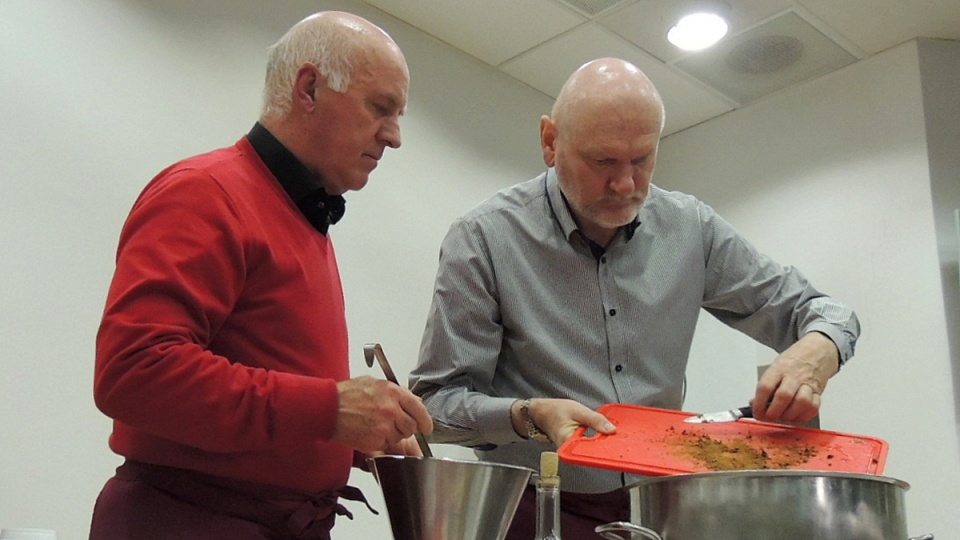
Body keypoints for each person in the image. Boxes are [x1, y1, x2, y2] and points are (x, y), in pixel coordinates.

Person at [409, 57, 860, 539]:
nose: (625, 185)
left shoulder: (692, 229)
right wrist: (529, 416)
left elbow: (823, 313)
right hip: (536, 509)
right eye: (603, 161)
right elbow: (435, 404)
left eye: (642, 159)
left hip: (663, 506)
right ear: (550, 142)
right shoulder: (484, 239)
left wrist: (818, 351)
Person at [90, 12, 432, 540]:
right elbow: (134, 373)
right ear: (309, 88)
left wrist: (349, 437)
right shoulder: (206, 191)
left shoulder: (303, 217)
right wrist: (328, 410)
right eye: (380, 109)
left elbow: (268, 390)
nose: (394, 137)